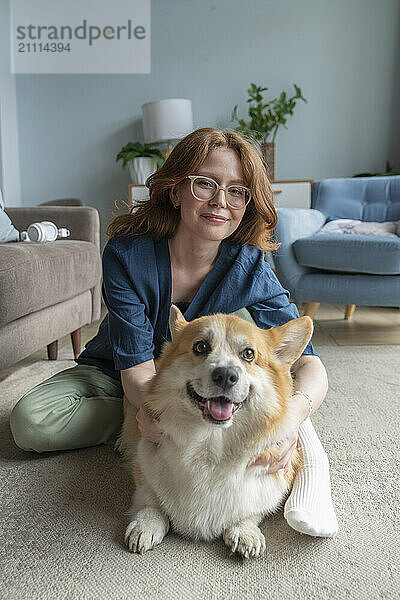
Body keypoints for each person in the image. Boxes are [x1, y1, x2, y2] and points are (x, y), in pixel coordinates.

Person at [10, 127, 338, 538]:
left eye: (237, 191)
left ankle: (281, 432)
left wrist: (291, 420)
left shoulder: (250, 266)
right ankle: (133, 423)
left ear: (247, 204)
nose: (221, 201)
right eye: (206, 184)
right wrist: (149, 415)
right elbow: (136, 369)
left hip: (201, 382)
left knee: (245, 345)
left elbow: (310, 363)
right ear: (176, 190)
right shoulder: (128, 254)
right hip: (119, 370)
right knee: (30, 424)